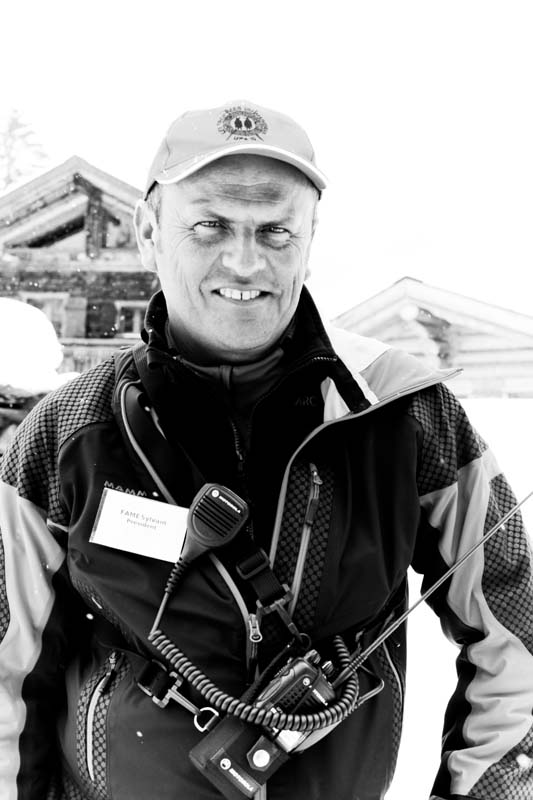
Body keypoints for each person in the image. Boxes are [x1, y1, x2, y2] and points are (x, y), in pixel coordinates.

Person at [0, 101, 532, 800]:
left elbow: (515, 635)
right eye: (210, 225)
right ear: (149, 231)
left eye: (275, 229)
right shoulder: (66, 430)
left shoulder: (405, 413)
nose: (245, 260)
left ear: (309, 239)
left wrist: (491, 789)